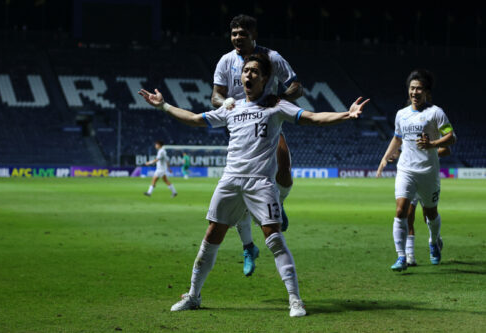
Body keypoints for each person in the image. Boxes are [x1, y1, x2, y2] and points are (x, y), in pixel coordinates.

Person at [138, 52, 369, 317]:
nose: (248, 75)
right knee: (211, 238)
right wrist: (163, 106)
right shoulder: (231, 108)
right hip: (230, 182)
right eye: (246, 71)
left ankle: (295, 300)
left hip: (260, 184)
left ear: (265, 79)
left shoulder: (276, 106)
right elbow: (193, 119)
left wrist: (346, 114)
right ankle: (193, 295)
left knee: (274, 239)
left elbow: (313, 118)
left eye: (255, 72)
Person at [211, 14, 304, 276]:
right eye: (234, 34)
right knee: (240, 185)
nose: (238, 38)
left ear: (254, 36)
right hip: (238, 125)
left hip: (267, 122)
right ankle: (248, 246)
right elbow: (215, 94)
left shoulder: (272, 58)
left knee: (284, 169)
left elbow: (297, 87)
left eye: (243, 33)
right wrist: (225, 103)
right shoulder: (226, 61)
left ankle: (279, 202)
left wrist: (278, 98)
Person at [377, 69, 456, 271]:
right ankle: (402, 256)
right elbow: (397, 138)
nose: (415, 92)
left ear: (426, 92)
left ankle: (434, 240)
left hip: (428, 172)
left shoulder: (436, 113)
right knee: (401, 210)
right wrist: (385, 158)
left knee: (430, 214)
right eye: (412, 88)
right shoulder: (401, 114)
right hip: (406, 170)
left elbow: (452, 137)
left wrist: (433, 144)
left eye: (419, 88)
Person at [388, 146, 453, 266]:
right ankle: (409, 256)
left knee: (428, 215)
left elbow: (447, 150)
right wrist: (394, 154)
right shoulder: (407, 130)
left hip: (427, 177)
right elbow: (400, 148)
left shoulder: (431, 130)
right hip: (409, 177)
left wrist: (426, 154)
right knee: (408, 216)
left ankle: (434, 240)